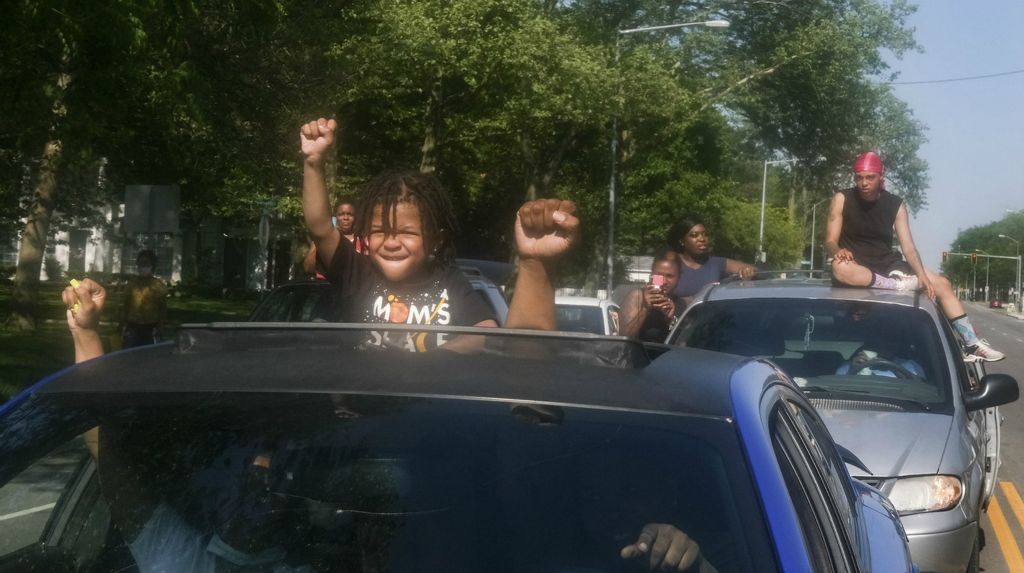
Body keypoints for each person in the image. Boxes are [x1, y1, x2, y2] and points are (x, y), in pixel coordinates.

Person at [300, 117, 576, 348]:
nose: (392, 242)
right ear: (366, 238)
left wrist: (440, 359)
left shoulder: (447, 279)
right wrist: (313, 162)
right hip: (368, 407)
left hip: (428, 405)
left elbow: (484, 330)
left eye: (407, 232)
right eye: (380, 231)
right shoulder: (357, 274)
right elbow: (321, 228)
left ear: (437, 239)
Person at [825, 151, 1004, 361]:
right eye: (859, 177)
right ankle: (895, 285)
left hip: (886, 262)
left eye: (870, 177)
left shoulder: (896, 204)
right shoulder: (842, 198)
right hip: (854, 263)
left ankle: (971, 344)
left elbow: (908, 247)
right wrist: (838, 251)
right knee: (840, 269)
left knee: (942, 284)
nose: (864, 183)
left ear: (880, 177)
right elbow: (829, 240)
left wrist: (923, 277)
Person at [667, 216, 756, 307]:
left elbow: (753, 269)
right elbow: (656, 286)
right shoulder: (670, 263)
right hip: (678, 319)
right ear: (682, 241)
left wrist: (747, 271)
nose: (702, 239)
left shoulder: (716, 263)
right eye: (694, 235)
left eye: (705, 234)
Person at [619, 249, 683, 342]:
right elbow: (623, 338)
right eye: (659, 275)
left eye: (669, 276)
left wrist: (671, 320)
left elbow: (683, 343)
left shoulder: (681, 303)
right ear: (651, 275)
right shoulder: (637, 297)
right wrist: (645, 309)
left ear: (679, 277)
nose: (664, 281)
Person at [303, 199, 366, 278]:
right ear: (335, 216)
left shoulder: (363, 240)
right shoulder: (323, 239)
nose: (345, 218)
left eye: (350, 214)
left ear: (355, 217)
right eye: (341, 214)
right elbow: (308, 268)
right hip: (327, 287)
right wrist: (321, 241)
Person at [121, 250, 167, 348]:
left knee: (149, 356)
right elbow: (126, 304)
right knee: (128, 355)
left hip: (150, 327)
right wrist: (122, 323)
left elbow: (162, 308)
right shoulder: (132, 284)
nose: (142, 267)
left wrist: (160, 326)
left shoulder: (158, 285)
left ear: (152, 266)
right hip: (132, 326)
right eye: (140, 264)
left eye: (146, 264)